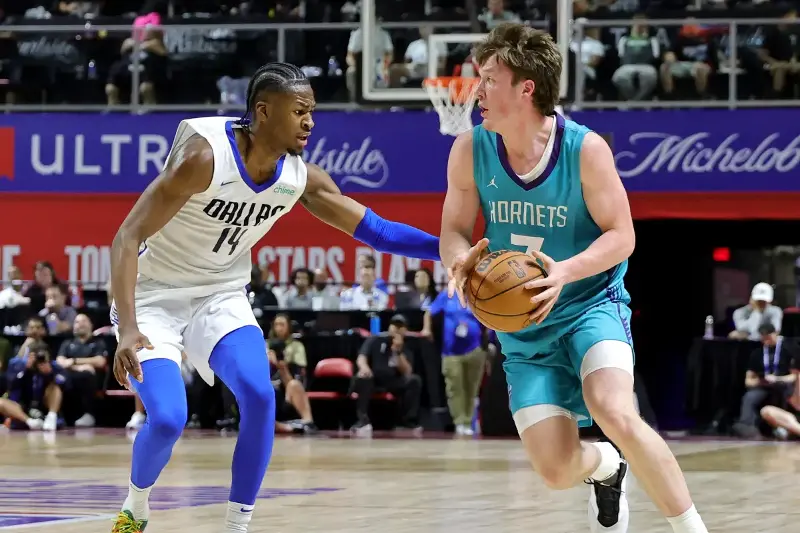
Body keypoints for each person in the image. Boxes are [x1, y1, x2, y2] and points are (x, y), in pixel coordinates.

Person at [108, 61, 440, 533]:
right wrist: (128, 328)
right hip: (152, 297)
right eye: (300, 111)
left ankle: (236, 526)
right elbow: (127, 236)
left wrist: (452, 251)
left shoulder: (299, 177)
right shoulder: (204, 157)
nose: (310, 122)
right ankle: (136, 506)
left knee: (261, 395)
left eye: (312, 112)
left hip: (219, 294)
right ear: (263, 111)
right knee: (167, 419)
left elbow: (380, 232)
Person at [441, 23, 708, 533]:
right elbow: (453, 231)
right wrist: (459, 260)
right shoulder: (469, 149)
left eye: (490, 79)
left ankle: (693, 528)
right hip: (524, 326)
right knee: (556, 470)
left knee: (614, 410)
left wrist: (564, 272)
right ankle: (607, 468)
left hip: (590, 303)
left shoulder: (585, 149)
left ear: (526, 88)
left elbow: (622, 236)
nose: (478, 90)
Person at [422, 289, 486, 436]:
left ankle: (469, 422)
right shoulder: (447, 294)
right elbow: (429, 312)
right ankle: (459, 422)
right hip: (451, 352)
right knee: (455, 388)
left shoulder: (478, 293)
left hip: (474, 350)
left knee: (472, 389)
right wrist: (427, 329)